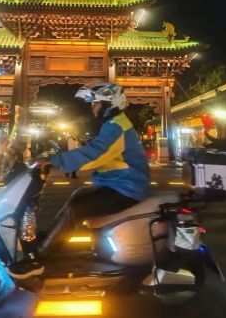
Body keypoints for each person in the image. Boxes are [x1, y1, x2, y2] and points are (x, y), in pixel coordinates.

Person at [13, 82, 149, 275]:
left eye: (96, 103)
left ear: (109, 105)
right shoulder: (114, 124)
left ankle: (39, 257)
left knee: (76, 209)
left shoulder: (116, 126)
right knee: (78, 195)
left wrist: (54, 160)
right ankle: (48, 240)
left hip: (127, 189)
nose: (93, 107)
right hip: (119, 184)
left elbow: (95, 154)